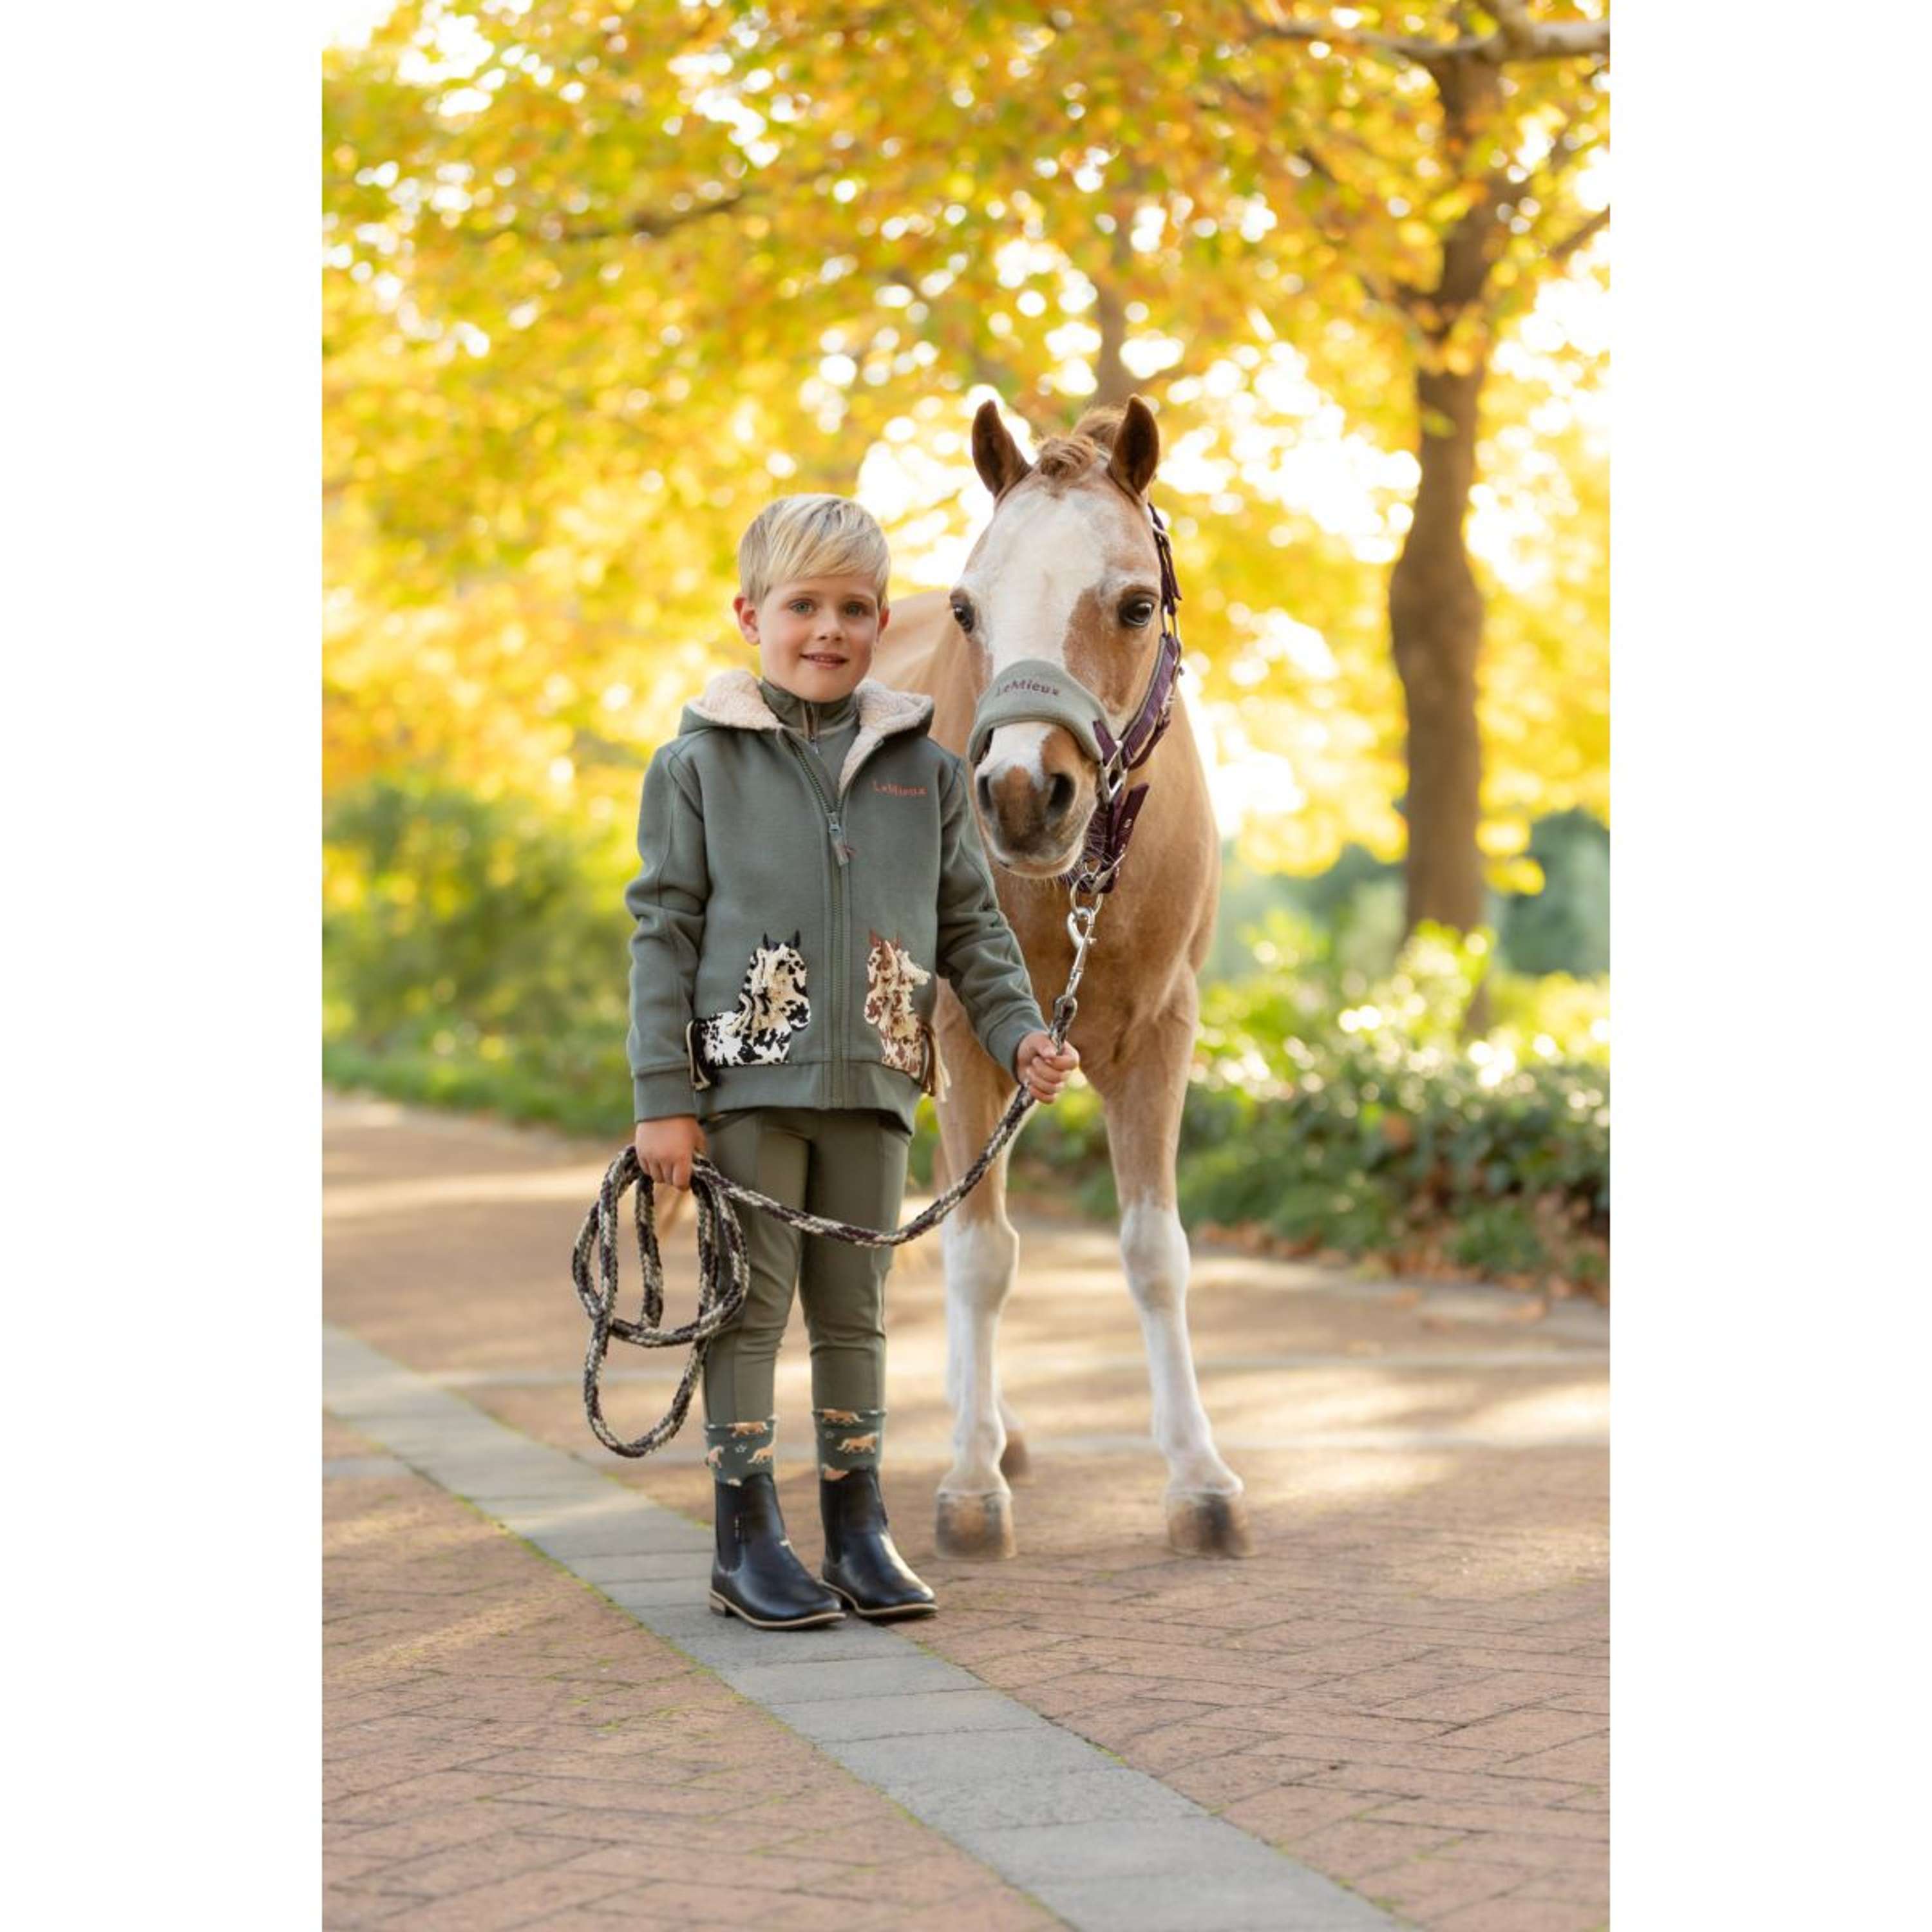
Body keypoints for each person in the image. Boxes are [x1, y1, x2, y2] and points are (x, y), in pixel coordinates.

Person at [625, 493, 1079, 1631]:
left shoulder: (926, 772)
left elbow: (973, 930)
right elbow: (663, 936)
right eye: (803, 607)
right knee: (748, 1310)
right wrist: (664, 1102)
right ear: (751, 617)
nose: (828, 630)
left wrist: (1020, 1031)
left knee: (855, 1313)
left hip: (877, 1086)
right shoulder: (697, 765)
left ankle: (858, 1525)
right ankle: (745, 1538)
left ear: (883, 622)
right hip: (750, 1087)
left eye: (854, 609)